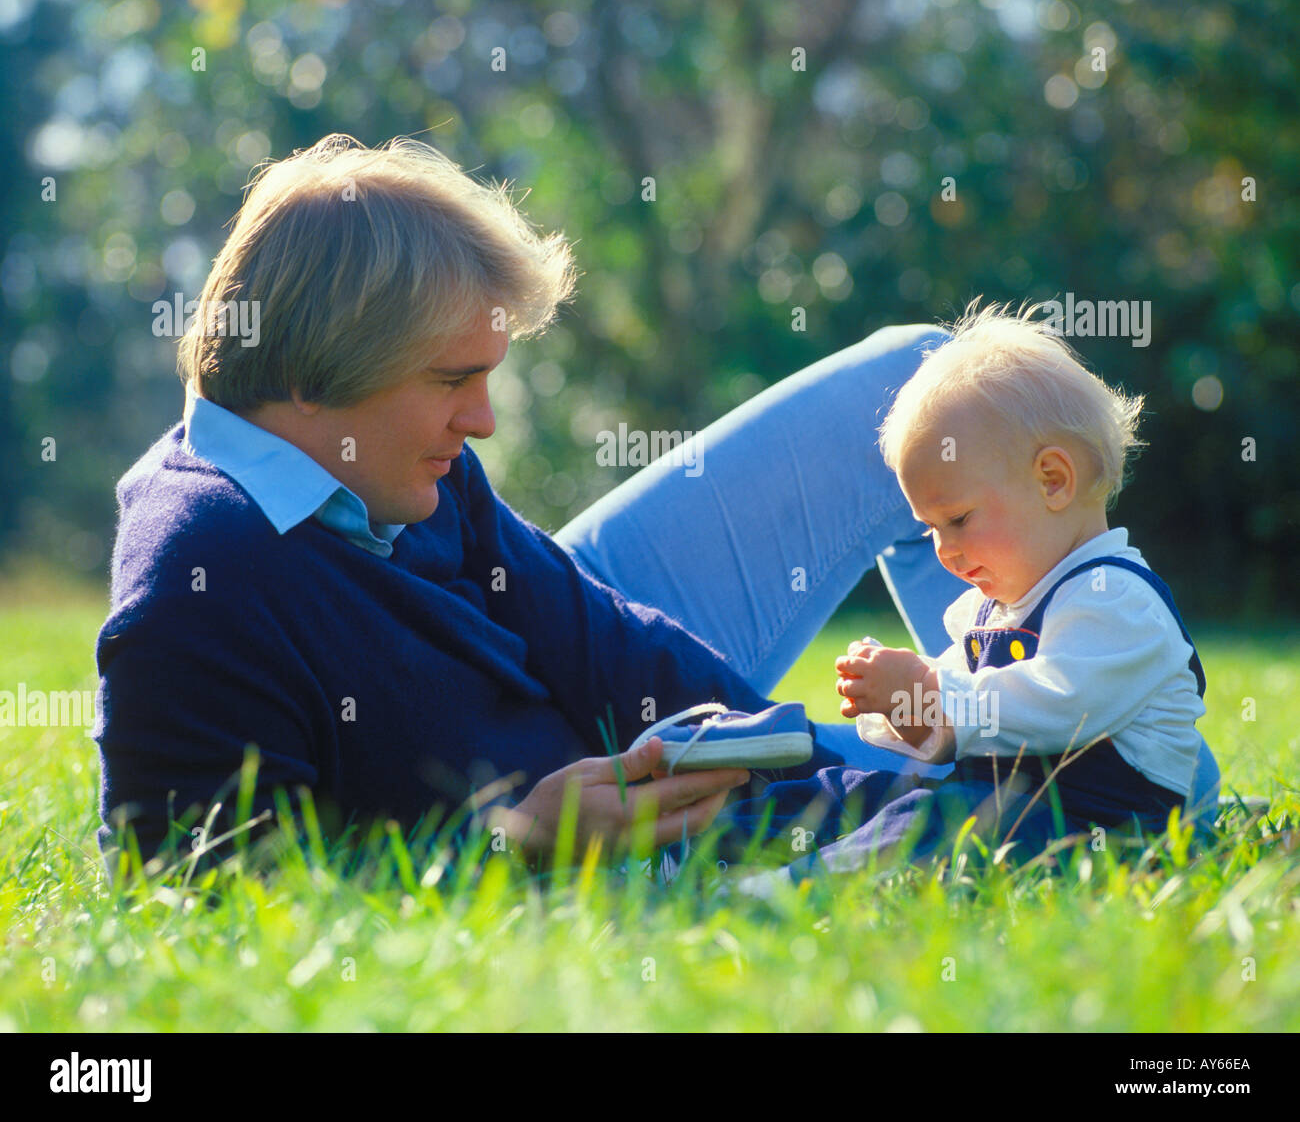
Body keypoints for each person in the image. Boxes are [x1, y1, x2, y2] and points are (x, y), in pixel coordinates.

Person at [92, 135, 1220, 877]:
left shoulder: (403, 469)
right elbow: (207, 886)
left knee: (927, 383)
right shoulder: (199, 586)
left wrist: (828, 761)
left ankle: (1044, 744)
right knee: (1119, 796)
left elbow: (598, 632)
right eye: (450, 382)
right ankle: (1113, 793)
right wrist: (514, 842)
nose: (483, 423)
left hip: (621, 738)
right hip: (574, 805)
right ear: (316, 370)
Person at [710, 304, 1213, 885]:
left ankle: (783, 889)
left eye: (957, 519)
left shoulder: (1115, 598)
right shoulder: (994, 609)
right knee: (861, 793)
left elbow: (1054, 708)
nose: (941, 549)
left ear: (1052, 480)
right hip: (999, 807)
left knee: (943, 821)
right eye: (928, 528)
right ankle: (704, 843)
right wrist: (896, 702)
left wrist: (927, 692)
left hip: (1101, 832)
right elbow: (951, 726)